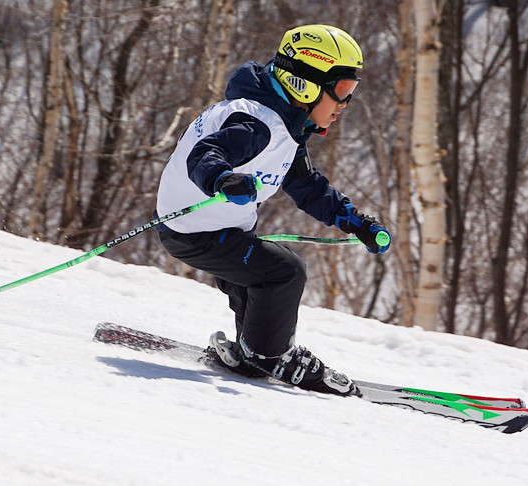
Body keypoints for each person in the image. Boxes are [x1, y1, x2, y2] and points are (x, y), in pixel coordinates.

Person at [155, 24, 391, 396]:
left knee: (258, 279)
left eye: (351, 92)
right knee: (283, 272)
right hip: (195, 231)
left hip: (216, 229)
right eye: (343, 91)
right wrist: (222, 179)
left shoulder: (284, 126)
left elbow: (309, 187)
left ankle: (254, 351)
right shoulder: (256, 123)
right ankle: (271, 355)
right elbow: (205, 155)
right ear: (306, 84)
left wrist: (356, 222)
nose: (345, 104)